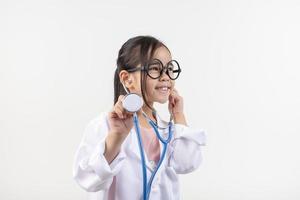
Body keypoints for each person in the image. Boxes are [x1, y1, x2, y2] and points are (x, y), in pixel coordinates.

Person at [73, 35, 206, 200]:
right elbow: (88, 179)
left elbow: (187, 164)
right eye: (155, 68)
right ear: (127, 79)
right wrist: (117, 136)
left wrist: (178, 115)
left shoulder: (170, 130)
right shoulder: (104, 126)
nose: (166, 76)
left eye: (170, 68)